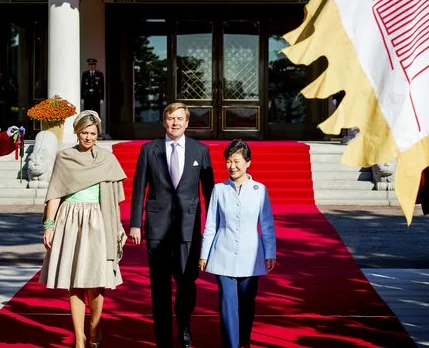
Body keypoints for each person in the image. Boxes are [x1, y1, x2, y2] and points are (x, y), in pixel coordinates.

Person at [130, 102, 215, 348]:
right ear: (164, 121)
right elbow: (139, 189)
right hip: (157, 226)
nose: (175, 122)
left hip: (189, 228)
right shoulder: (149, 149)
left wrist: (212, 229)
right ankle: (163, 338)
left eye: (180, 118)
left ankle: (185, 325)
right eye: (170, 118)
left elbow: (209, 193)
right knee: (160, 287)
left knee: (187, 283)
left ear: (187, 122)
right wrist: (136, 223)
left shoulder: (200, 150)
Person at [40, 110, 127, 348]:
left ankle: (94, 328)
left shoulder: (107, 159)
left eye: (92, 133)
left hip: (99, 219)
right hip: (70, 220)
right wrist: (49, 225)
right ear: (76, 133)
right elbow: (55, 194)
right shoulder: (64, 157)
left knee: (97, 281)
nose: (88, 137)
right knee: (75, 281)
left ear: (98, 134)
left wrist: (118, 227)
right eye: (83, 133)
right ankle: (79, 338)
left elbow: (114, 201)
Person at [199, 139, 276, 348]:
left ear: (248, 163)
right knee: (227, 304)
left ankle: (244, 342)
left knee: (247, 303)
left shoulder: (260, 190)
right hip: (222, 253)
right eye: (228, 161)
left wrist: (270, 253)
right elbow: (211, 224)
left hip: (252, 256)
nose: (232, 166)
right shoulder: (219, 190)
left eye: (237, 161)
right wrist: (204, 255)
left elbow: (267, 225)